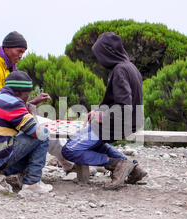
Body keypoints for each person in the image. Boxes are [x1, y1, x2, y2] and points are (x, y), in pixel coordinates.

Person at [0, 30, 74, 172]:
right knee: (43, 131)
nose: (21, 55)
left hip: (1, 114)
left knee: (50, 125)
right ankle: (52, 172)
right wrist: (31, 107)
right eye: (19, 51)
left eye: (23, 52)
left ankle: (68, 163)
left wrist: (33, 102)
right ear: (7, 48)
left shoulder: (7, 66)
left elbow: (7, 103)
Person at [61, 32, 147, 190]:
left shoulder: (119, 70)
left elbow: (124, 106)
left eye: (100, 55)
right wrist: (97, 111)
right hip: (132, 122)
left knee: (69, 150)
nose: (99, 60)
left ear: (108, 52)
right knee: (92, 143)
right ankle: (134, 169)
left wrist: (100, 116)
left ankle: (118, 164)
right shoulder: (130, 67)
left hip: (117, 124)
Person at [0, 70, 53, 194]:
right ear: (20, 92)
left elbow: (10, 111)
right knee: (43, 134)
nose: (28, 96)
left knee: (22, 135)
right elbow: (36, 133)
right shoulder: (14, 104)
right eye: (27, 94)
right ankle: (32, 184)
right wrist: (33, 113)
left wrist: (31, 103)